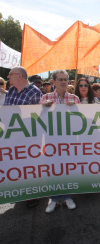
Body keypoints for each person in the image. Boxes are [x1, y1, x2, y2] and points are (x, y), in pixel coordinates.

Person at [39, 70, 80, 213]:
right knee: (53, 170)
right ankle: (55, 199)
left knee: (67, 169)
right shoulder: (45, 98)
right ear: (54, 81)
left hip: (69, 141)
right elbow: (38, 121)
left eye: (65, 79)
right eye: (60, 79)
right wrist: (43, 109)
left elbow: (81, 122)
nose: (63, 82)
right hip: (51, 141)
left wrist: (74, 110)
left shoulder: (74, 98)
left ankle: (67, 197)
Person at [4, 67, 43, 207]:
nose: (8, 77)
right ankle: (21, 191)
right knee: (16, 165)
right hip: (12, 137)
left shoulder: (35, 92)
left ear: (19, 76)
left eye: (10, 75)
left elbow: (39, 118)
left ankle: (34, 194)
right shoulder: (11, 91)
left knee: (30, 166)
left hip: (29, 139)